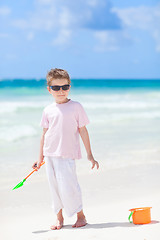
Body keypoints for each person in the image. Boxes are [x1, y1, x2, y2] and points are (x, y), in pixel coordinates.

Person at [32, 68, 99, 230]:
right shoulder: (47, 110)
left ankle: (80, 216)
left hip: (67, 154)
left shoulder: (76, 107)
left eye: (65, 87)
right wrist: (40, 158)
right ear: (49, 89)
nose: (61, 91)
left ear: (69, 87)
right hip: (49, 155)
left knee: (69, 186)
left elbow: (83, 130)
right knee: (54, 188)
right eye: (56, 88)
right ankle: (59, 218)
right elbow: (44, 134)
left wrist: (90, 155)